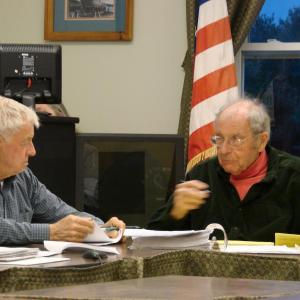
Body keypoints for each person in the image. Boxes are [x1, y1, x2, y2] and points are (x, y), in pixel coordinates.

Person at [148, 98, 300, 242]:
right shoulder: (201, 175)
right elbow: (152, 241)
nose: (224, 150)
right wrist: (175, 213)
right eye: (219, 138)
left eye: (236, 139)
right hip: (206, 269)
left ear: (261, 141)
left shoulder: (293, 177)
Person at [0, 96, 125, 245]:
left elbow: (61, 213)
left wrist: (102, 227)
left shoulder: (23, 177)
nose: (33, 151)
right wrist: (52, 232)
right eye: (25, 142)